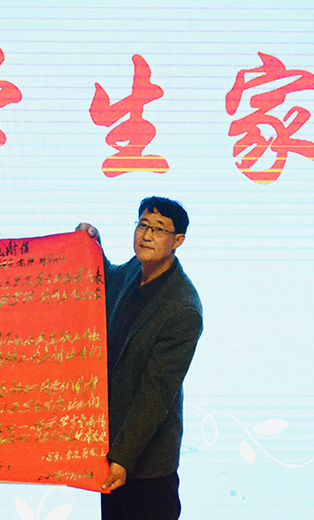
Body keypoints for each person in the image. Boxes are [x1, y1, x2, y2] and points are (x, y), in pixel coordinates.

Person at [77, 196, 203, 520]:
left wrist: (123, 458)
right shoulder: (136, 269)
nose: (147, 235)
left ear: (178, 241)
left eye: (159, 229)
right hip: (112, 448)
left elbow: (155, 395)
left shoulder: (183, 307)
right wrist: (91, 244)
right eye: (143, 225)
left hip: (146, 464)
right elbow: (107, 280)